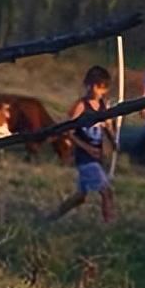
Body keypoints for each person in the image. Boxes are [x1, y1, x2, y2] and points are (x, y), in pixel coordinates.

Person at [48, 66, 116, 223]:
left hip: (97, 156)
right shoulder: (81, 106)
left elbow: (108, 128)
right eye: (91, 85)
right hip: (85, 158)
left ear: (104, 89)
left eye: (98, 87)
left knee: (80, 197)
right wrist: (87, 148)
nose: (93, 89)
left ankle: (52, 217)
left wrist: (112, 136)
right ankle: (109, 225)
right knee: (106, 192)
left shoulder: (104, 107)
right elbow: (68, 131)